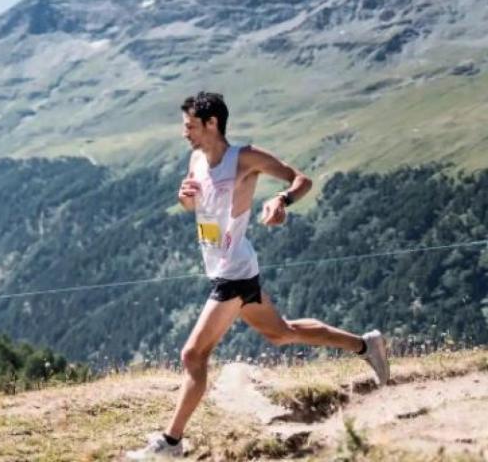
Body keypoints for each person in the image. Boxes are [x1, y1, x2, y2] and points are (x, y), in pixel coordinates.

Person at [127, 92, 389, 459]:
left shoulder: (244, 158)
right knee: (282, 333)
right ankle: (366, 345)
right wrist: (186, 198)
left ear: (211, 123)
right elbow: (193, 204)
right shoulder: (196, 159)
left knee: (192, 355)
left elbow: (302, 179)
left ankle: (171, 443)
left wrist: (282, 200)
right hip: (227, 267)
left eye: (190, 126)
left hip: (233, 274)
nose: (185, 134)